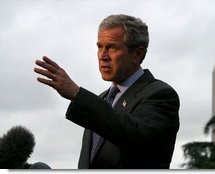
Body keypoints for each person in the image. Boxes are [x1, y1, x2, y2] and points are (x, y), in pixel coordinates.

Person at [34, 14, 180, 169]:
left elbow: (134, 135)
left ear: (137, 54)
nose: (103, 56)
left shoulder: (160, 95)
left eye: (112, 47)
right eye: (99, 46)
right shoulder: (101, 100)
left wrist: (77, 94)